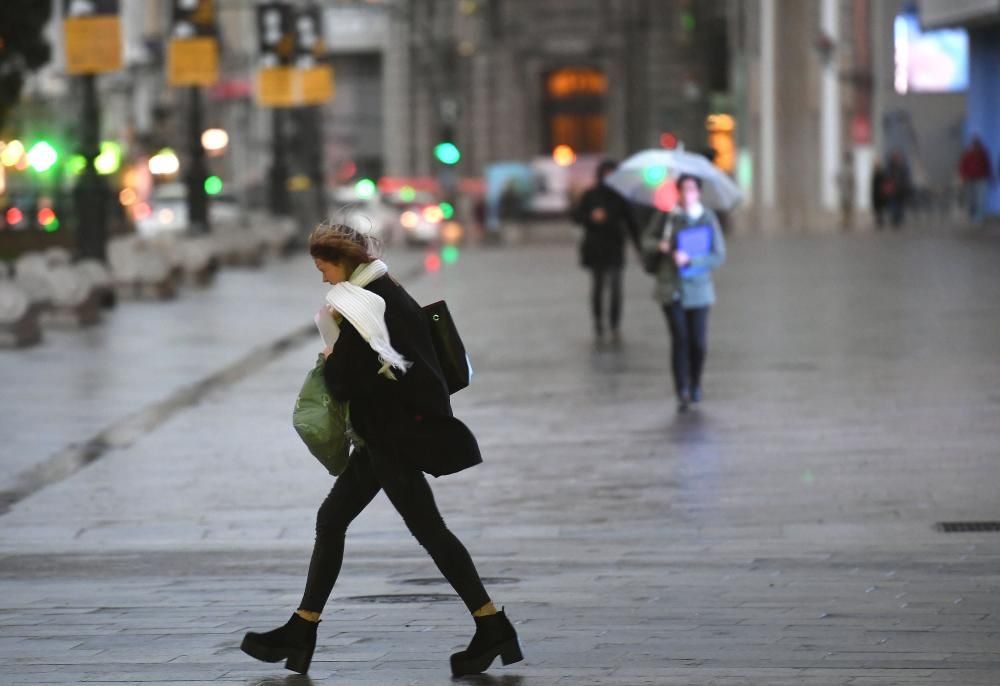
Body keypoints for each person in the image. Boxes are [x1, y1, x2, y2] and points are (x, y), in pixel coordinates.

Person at [241, 224, 522, 676]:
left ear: (344, 262)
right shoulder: (385, 290)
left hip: (392, 438)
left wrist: (332, 353)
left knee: (428, 531)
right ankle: (302, 629)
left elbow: (347, 380)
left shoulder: (368, 305)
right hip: (384, 436)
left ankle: (491, 624)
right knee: (333, 520)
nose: (324, 278)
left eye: (325, 268)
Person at [641, 175, 726, 413]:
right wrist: (661, 245)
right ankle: (682, 389)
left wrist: (692, 259)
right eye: (683, 189)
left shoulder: (707, 218)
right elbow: (646, 240)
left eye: (691, 189)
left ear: (698, 192)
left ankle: (695, 381)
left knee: (697, 341)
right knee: (680, 338)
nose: (687, 194)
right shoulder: (668, 216)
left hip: (699, 288)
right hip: (671, 287)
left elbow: (718, 253)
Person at [571, 159, 640, 344]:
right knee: (598, 287)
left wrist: (640, 248)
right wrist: (591, 217)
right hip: (595, 247)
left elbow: (632, 223)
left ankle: (615, 324)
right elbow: (577, 217)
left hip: (615, 246)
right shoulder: (591, 194)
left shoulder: (621, 197)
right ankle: (598, 323)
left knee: (616, 287)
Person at [958, 136, 992, 223]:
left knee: (980, 199)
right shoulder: (968, 154)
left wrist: (990, 177)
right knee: (971, 199)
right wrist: (963, 177)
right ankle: (972, 216)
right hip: (970, 179)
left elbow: (987, 166)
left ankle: (978, 218)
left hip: (981, 179)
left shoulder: (983, 154)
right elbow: (963, 166)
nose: (976, 147)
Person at [885, 150, 911, 229]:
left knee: (900, 206)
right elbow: (887, 177)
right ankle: (895, 219)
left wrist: (905, 186)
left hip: (901, 190)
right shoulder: (890, 167)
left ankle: (898, 219)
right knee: (894, 205)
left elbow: (906, 178)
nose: (897, 159)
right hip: (893, 190)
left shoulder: (903, 167)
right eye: (895, 157)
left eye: (898, 157)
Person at [871, 163, 889, 229]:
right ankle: (879, 222)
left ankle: (880, 222)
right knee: (877, 210)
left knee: (880, 210)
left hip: (880, 195)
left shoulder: (881, 174)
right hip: (876, 195)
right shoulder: (874, 174)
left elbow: (883, 185)